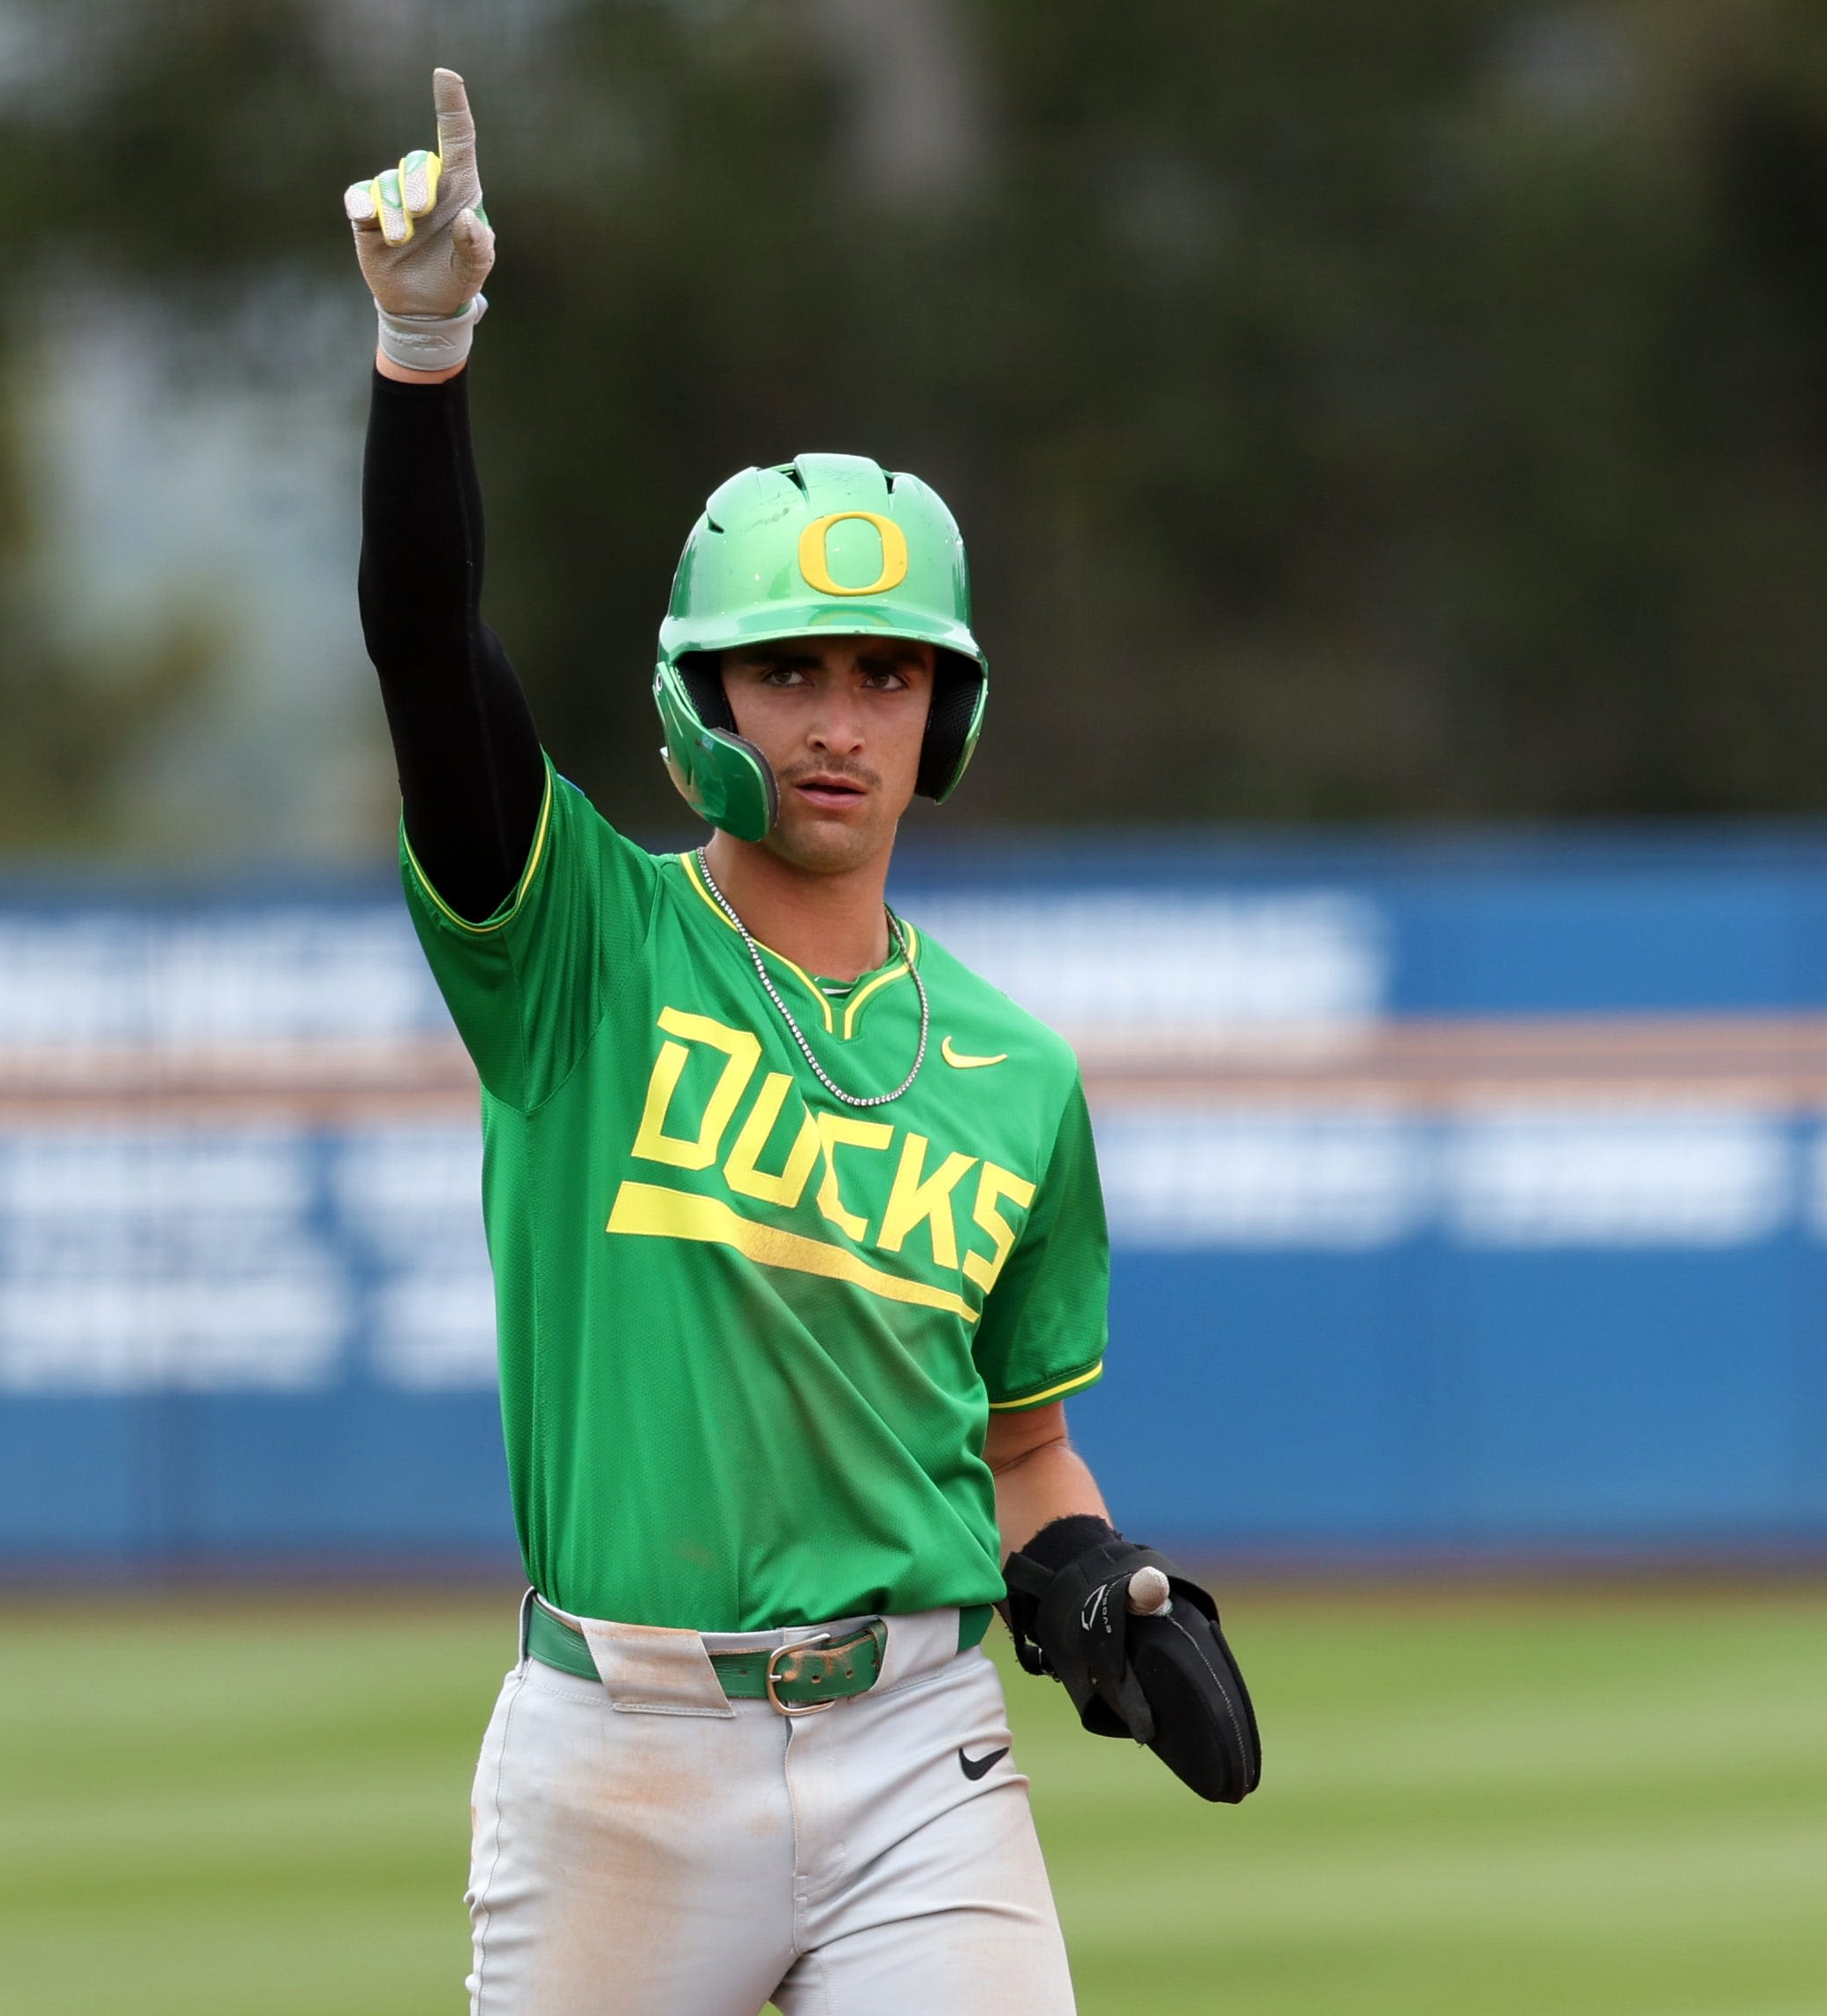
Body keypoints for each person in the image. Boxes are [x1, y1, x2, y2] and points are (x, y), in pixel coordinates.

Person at [346, 68, 1258, 2016]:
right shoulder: (579, 945)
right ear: (701, 701)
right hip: (618, 1758)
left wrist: (1091, 1581)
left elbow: (1022, 1448)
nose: (838, 719)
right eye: (789, 670)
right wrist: (423, 353)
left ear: (945, 713)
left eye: (884, 672)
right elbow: (428, 641)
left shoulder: (1013, 1072)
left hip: (914, 1750)